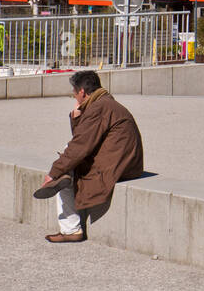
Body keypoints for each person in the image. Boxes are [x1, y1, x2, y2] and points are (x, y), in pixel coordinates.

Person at [36, 70, 145, 243]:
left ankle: (71, 229)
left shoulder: (99, 108)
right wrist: (76, 117)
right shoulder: (105, 102)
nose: (74, 97)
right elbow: (84, 138)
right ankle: (63, 177)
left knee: (66, 171)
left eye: (74, 93)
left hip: (120, 167)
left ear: (82, 92)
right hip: (126, 163)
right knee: (67, 166)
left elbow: (80, 144)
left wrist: (53, 172)